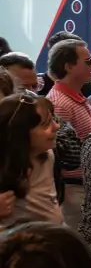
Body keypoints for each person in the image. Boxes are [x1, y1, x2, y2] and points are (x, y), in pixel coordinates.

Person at [0, 94, 61, 225]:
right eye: (45, 124)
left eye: (53, 120)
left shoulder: (47, 155)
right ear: (20, 134)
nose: (56, 126)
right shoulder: (4, 167)